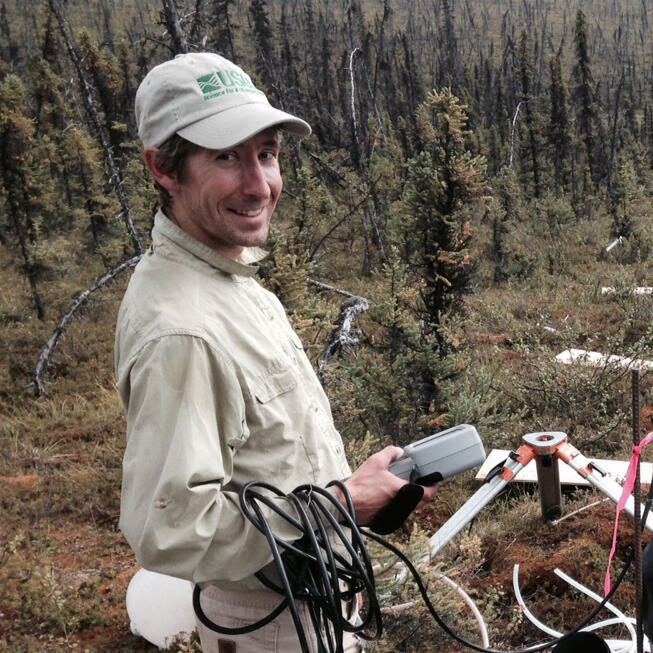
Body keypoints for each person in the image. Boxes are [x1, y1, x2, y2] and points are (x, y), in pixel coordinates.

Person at [115, 52, 438, 653]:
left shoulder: (228, 280)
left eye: (266, 153)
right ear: (163, 167)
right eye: (226, 157)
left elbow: (263, 460)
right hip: (271, 624)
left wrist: (356, 493)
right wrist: (341, 506)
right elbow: (173, 531)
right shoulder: (183, 331)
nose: (259, 185)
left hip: (308, 600)